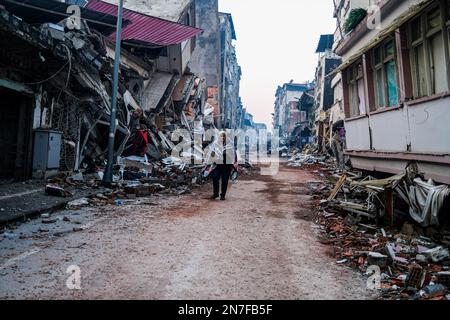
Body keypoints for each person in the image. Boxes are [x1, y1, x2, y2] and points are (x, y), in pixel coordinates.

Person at [210, 132, 236, 201]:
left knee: (225, 180)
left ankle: (222, 195)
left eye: (223, 136)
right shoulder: (215, 143)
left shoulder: (229, 144)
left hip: (226, 164)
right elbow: (212, 152)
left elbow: (233, 154)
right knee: (215, 178)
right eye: (220, 136)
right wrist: (213, 156)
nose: (222, 138)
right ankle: (215, 194)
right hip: (217, 164)